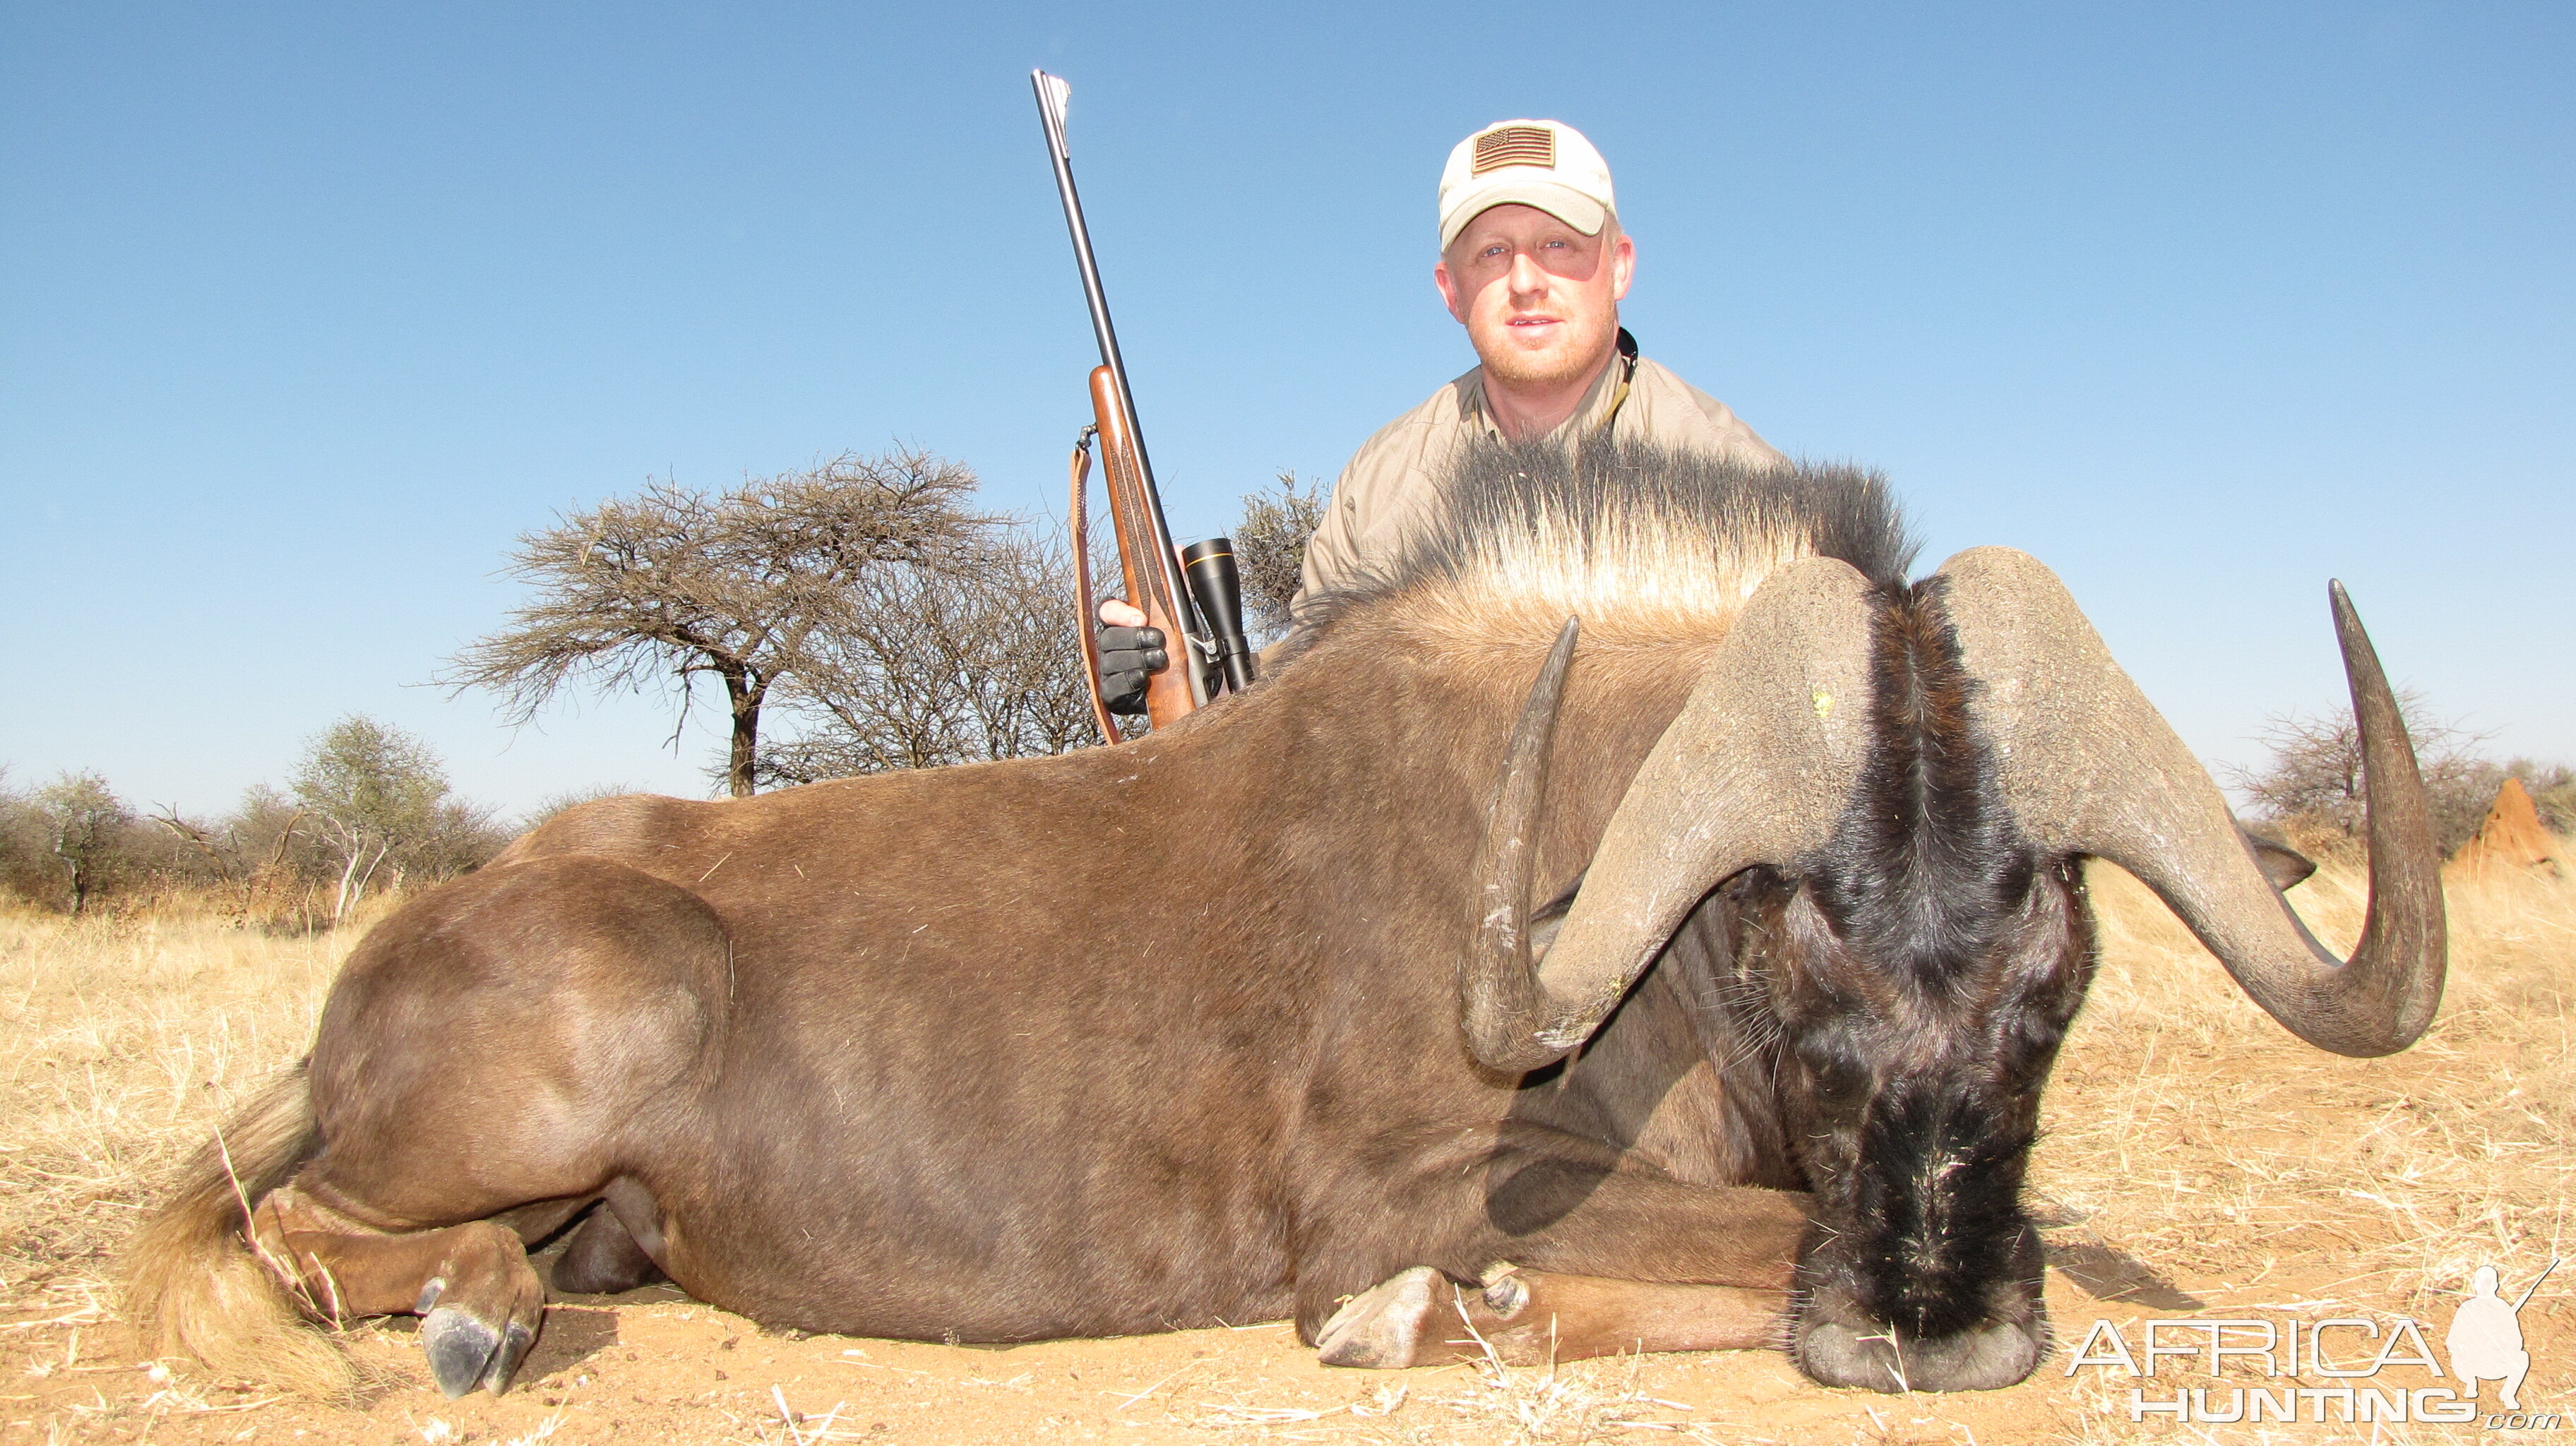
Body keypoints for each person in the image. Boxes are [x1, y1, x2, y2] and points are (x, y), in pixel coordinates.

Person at [1097, 118, 1783, 708]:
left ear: (1621, 266)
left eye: (1559, 244)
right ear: (1450, 290)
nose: (1524, 281)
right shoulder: (1381, 480)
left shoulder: (1740, 483)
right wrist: (1190, 681)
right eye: (1492, 252)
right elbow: (1308, 700)